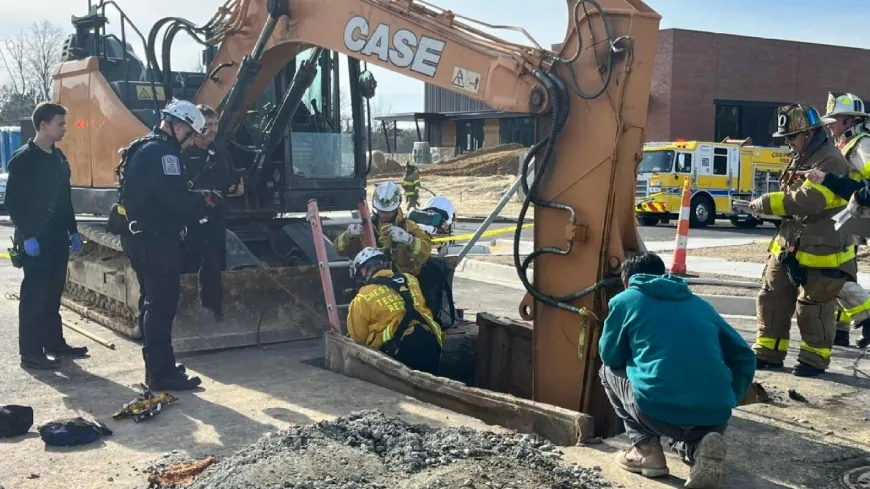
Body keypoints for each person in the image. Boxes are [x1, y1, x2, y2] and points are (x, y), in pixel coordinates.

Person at [599, 252, 755, 488]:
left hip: (656, 411)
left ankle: (646, 450)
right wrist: (729, 397)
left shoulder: (625, 300)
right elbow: (744, 355)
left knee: (607, 371)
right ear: (664, 276)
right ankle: (697, 448)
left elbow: (610, 356)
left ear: (626, 282)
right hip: (714, 415)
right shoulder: (700, 304)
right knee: (690, 419)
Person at [748, 103, 856, 377]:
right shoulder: (803, 156)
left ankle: (814, 360)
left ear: (808, 134)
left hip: (822, 249)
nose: (787, 143)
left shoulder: (830, 160)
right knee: (772, 296)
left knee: (813, 306)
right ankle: (769, 352)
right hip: (789, 245)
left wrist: (766, 203)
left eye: (791, 137)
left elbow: (810, 201)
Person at [118, 99, 219, 391]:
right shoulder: (164, 155)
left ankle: (158, 367)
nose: (189, 143)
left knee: (150, 303)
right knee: (161, 306)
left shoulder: (143, 147)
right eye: (189, 135)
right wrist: (202, 202)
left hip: (140, 238)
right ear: (178, 126)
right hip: (156, 241)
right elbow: (174, 201)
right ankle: (161, 374)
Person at [6, 102, 88, 370]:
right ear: (43, 125)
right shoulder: (24, 159)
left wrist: (73, 230)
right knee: (34, 296)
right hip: (35, 240)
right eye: (60, 124)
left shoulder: (58, 157)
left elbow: (64, 199)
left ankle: (54, 343)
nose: (64, 129)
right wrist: (27, 235)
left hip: (56, 237)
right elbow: (13, 202)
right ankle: (30, 353)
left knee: (53, 293)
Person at [819, 92, 870, 347]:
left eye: (834, 119)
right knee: (844, 272)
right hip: (846, 220)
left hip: (854, 219)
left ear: (848, 121)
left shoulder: (861, 144)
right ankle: (841, 331)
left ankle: (866, 320)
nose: (829, 125)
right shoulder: (843, 145)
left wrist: (864, 194)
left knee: (834, 274)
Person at [346, 247, 443, 374]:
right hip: (431, 342)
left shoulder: (362, 297)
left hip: (398, 355)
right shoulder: (410, 279)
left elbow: (358, 339)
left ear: (363, 270)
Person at [180, 104, 232, 322]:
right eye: (208, 124)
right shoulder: (183, 153)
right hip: (191, 220)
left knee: (216, 261)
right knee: (189, 262)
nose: (213, 129)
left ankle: (214, 308)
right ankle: (185, 304)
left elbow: (228, 179)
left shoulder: (220, 151)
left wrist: (234, 188)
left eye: (216, 124)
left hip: (217, 218)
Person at [335, 181, 431, 276]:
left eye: (387, 212)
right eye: (380, 211)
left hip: (403, 280)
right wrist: (348, 235)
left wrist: (409, 240)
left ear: (396, 207)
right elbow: (339, 250)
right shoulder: (366, 227)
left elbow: (426, 253)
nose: (383, 214)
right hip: (373, 281)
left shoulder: (409, 226)